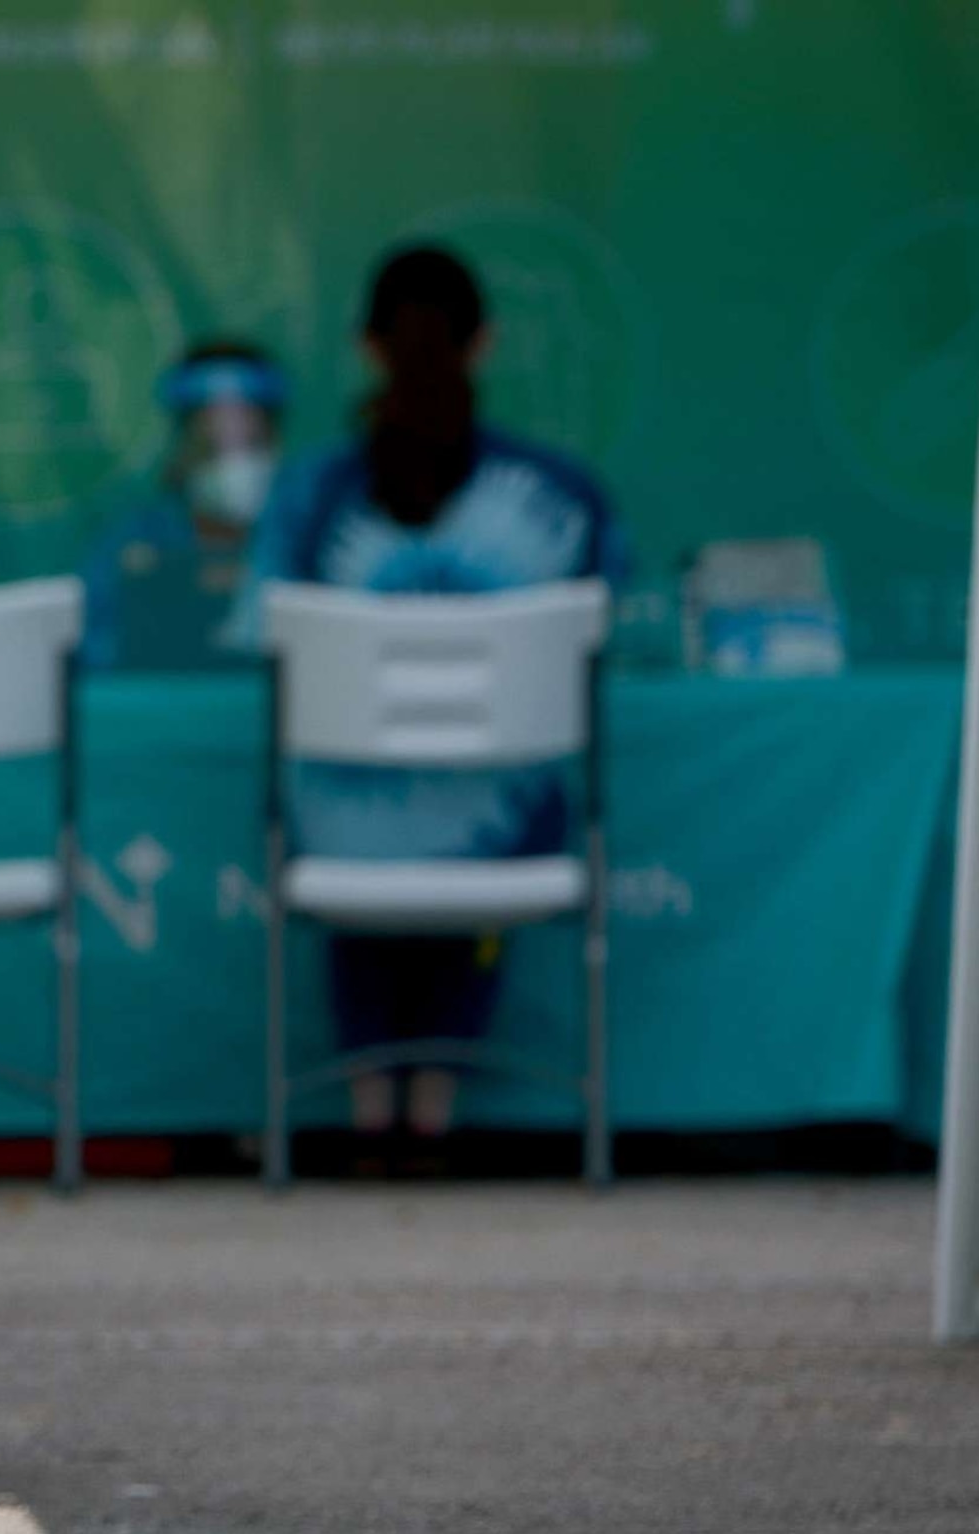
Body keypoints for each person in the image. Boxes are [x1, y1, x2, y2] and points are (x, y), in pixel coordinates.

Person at [237, 244, 625, 1145]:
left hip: (336, 836)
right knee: (481, 811)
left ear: (365, 347)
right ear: (485, 344)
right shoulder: (567, 497)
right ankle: (436, 1113)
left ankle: (374, 1115)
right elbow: (606, 637)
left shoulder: (305, 497)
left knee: (348, 812)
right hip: (505, 837)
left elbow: (263, 636)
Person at [77, 342, 286, 671]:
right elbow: (92, 656)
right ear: (182, 441)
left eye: (251, 439)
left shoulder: (302, 536)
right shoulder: (131, 542)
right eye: (214, 440)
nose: (235, 458)